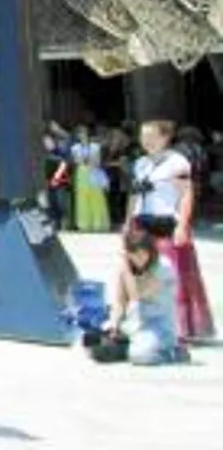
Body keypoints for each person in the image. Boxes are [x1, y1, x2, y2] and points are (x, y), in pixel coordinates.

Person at [130, 119, 214, 342]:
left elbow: (187, 194)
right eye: (142, 136)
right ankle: (149, 321)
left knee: (175, 276)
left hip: (168, 224)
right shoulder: (140, 163)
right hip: (142, 224)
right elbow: (135, 195)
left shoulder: (178, 162)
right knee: (144, 275)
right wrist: (128, 224)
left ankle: (181, 326)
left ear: (165, 138)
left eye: (151, 136)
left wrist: (183, 225)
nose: (145, 140)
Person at [109, 227, 188, 366]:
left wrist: (125, 269)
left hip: (159, 326)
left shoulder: (163, 267)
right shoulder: (128, 267)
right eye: (135, 254)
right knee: (94, 339)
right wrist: (114, 325)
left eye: (143, 253)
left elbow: (137, 295)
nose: (140, 258)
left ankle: (173, 352)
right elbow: (120, 301)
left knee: (139, 356)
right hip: (135, 321)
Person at [70, 125, 112, 232]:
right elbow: (76, 161)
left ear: (88, 134)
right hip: (82, 173)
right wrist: (82, 160)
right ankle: (84, 225)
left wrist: (91, 161)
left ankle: (99, 224)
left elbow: (98, 161)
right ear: (77, 136)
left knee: (97, 198)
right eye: (79, 133)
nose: (82, 135)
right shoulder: (74, 148)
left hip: (94, 171)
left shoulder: (95, 146)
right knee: (82, 199)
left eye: (84, 133)